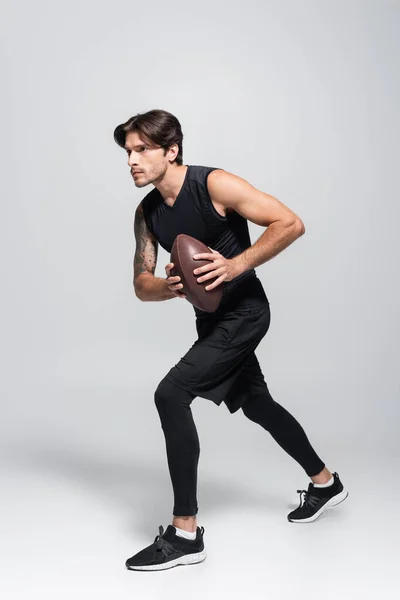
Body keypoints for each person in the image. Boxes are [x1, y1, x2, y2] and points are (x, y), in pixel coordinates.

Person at [113, 109, 348, 572]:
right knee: (258, 404)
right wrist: (169, 287)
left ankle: (185, 534)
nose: (132, 161)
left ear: (171, 150)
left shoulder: (214, 185)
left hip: (245, 313)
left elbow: (290, 223)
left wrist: (234, 265)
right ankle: (325, 483)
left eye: (141, 150)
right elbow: (141, 284)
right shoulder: (147, 213)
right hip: (211, 322)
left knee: (171, 394)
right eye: (128, 152)